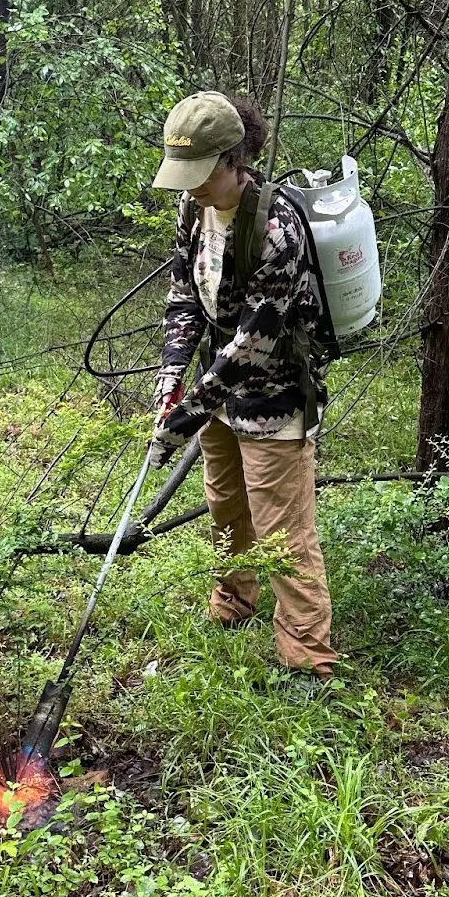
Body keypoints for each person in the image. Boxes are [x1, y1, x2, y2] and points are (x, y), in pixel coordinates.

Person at [148, 90, 337, 679]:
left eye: (202, 174)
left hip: (273, 394)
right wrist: (171, 382)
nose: (192, 187)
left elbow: (256, 339)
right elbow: (184, 297)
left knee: (283, 527)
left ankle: (307, 654)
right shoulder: (192, 208)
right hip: (217, 388)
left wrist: (189, 413)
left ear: (235, 160)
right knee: (226, 505)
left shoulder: (277, 229)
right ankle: (233, 602)